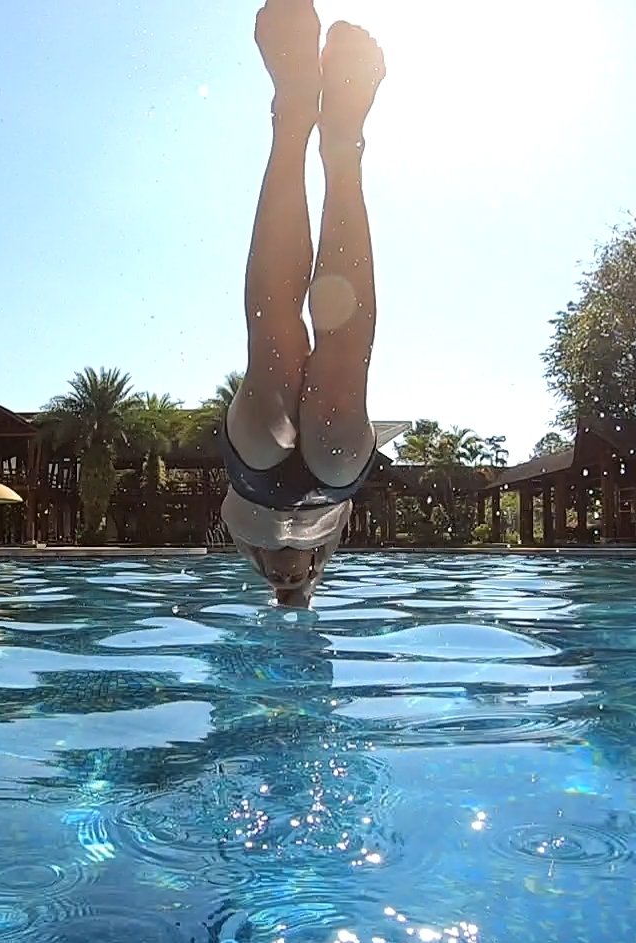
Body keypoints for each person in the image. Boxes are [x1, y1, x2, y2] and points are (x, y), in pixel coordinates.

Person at [219, 0, 384, 609]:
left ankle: (292, 115)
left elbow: (242, 521)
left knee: (277, 357)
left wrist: (268, 566)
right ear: (315, 578)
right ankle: (343, 145)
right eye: (301, 583)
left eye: (279, 585)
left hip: (256, 474)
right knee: (338, 400)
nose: (289, 580)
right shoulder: (330, 540)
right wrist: (311, 572)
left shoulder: (244, 543)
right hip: (334, 478)